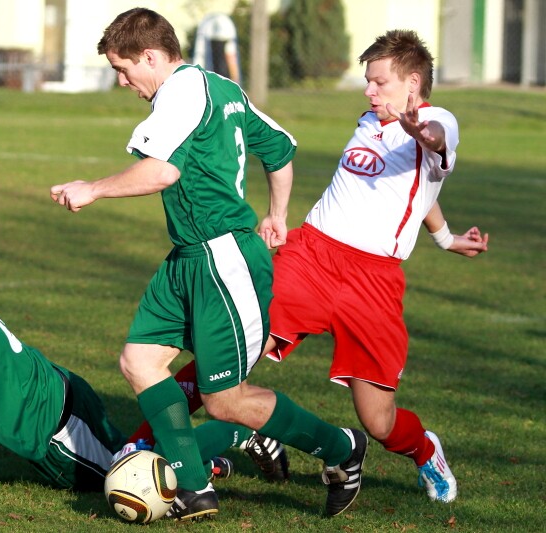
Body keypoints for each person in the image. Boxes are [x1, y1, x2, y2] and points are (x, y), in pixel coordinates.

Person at [50, 8, 367, 520]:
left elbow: (162, 171)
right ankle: (196, 489)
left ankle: (341, 447)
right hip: (188, 257)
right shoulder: (222, 88)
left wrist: (93, 189)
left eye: (123, 69)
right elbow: (279, 149)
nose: (122, 81)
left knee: (224, 401)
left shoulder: (180, 93)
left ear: (150, 56)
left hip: (223, 260)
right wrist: (277, 214)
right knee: (139, 361)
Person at [0, 223, 270, 497]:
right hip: (57, 395)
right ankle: (222, 452)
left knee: (137, 481)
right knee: (141, 459)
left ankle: (233, 436)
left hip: (55, 425)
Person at [257, 30, 486, 505]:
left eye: (379, 82)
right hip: (312, 255)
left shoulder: (438, 120)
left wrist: (425, 134)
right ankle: (160, 443)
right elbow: (413, 191)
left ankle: (426, 451)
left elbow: (436, 144)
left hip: (373, 281)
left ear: (413, 83)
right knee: (239, 342)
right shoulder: (368, 121)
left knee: (378, 420)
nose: (368, 90)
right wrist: (445, 237)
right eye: (368, 81)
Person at [192, 13, 241, 83]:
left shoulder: (224, 29)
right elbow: (231, 58)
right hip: (218, 78)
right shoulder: (224, 28)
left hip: (218, 77)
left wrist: (235, 78)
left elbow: (231, 58)